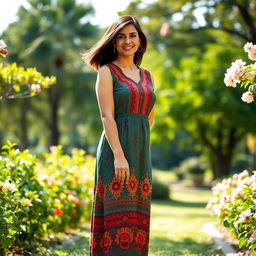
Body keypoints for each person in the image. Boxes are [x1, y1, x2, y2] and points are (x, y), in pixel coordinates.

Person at [82, 15, 156, 256]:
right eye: (121, 36)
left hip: (140, 154)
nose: (127, 41)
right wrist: (119, 155)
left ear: (140, 40)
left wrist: (139, 144)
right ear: (113, 42)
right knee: (114, 216)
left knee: (136, 216)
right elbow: (107, 116)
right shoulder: (106, 72)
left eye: (132, 35)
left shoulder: (147, 75)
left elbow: (149, 116)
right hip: (115, 152)